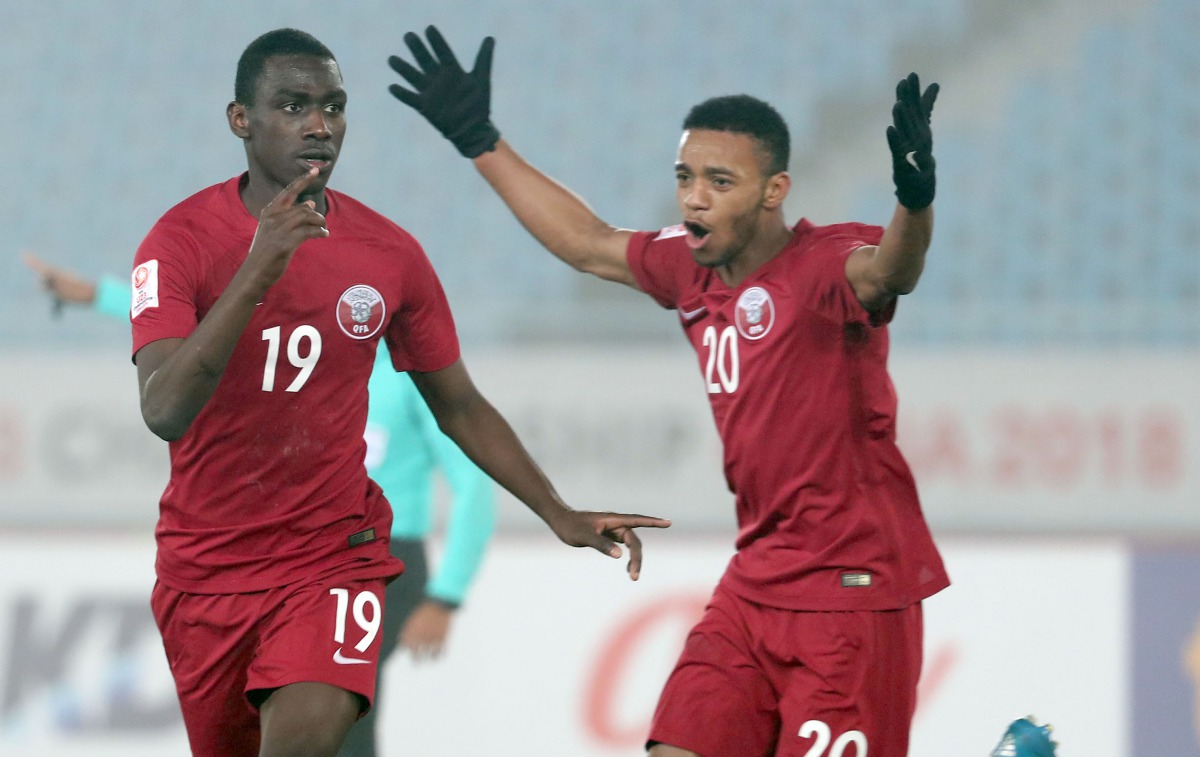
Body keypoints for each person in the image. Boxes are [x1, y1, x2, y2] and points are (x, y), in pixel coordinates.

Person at [387, 26, 949, 757]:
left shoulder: (827, 265)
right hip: (755, 583)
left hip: (852, 591)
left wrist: (916, 198)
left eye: (721, 182)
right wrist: (478, 139)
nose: (694, 198)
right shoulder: (687, 268)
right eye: (686, 177)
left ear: (774, 191)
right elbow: (586, 241)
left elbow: (892, 272)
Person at [127, 28, 669, 757]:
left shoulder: (389, 253)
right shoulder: (179, 242)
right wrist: (260, 268)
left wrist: (558, 511)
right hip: (206, 572)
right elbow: (163, 410)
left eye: (334, 107)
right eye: (292, 105)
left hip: (333, 556)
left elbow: (460, 404)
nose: (320, 125)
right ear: (240, 120)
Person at [22, 251, 497, 757]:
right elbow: (199, 339)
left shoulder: (411, 381)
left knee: (338, 708)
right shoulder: (313, 360)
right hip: (297, 548)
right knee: (297, 706)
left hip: (378, 558)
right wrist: (101, 296)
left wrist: (446, 596)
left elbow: (475, 485)